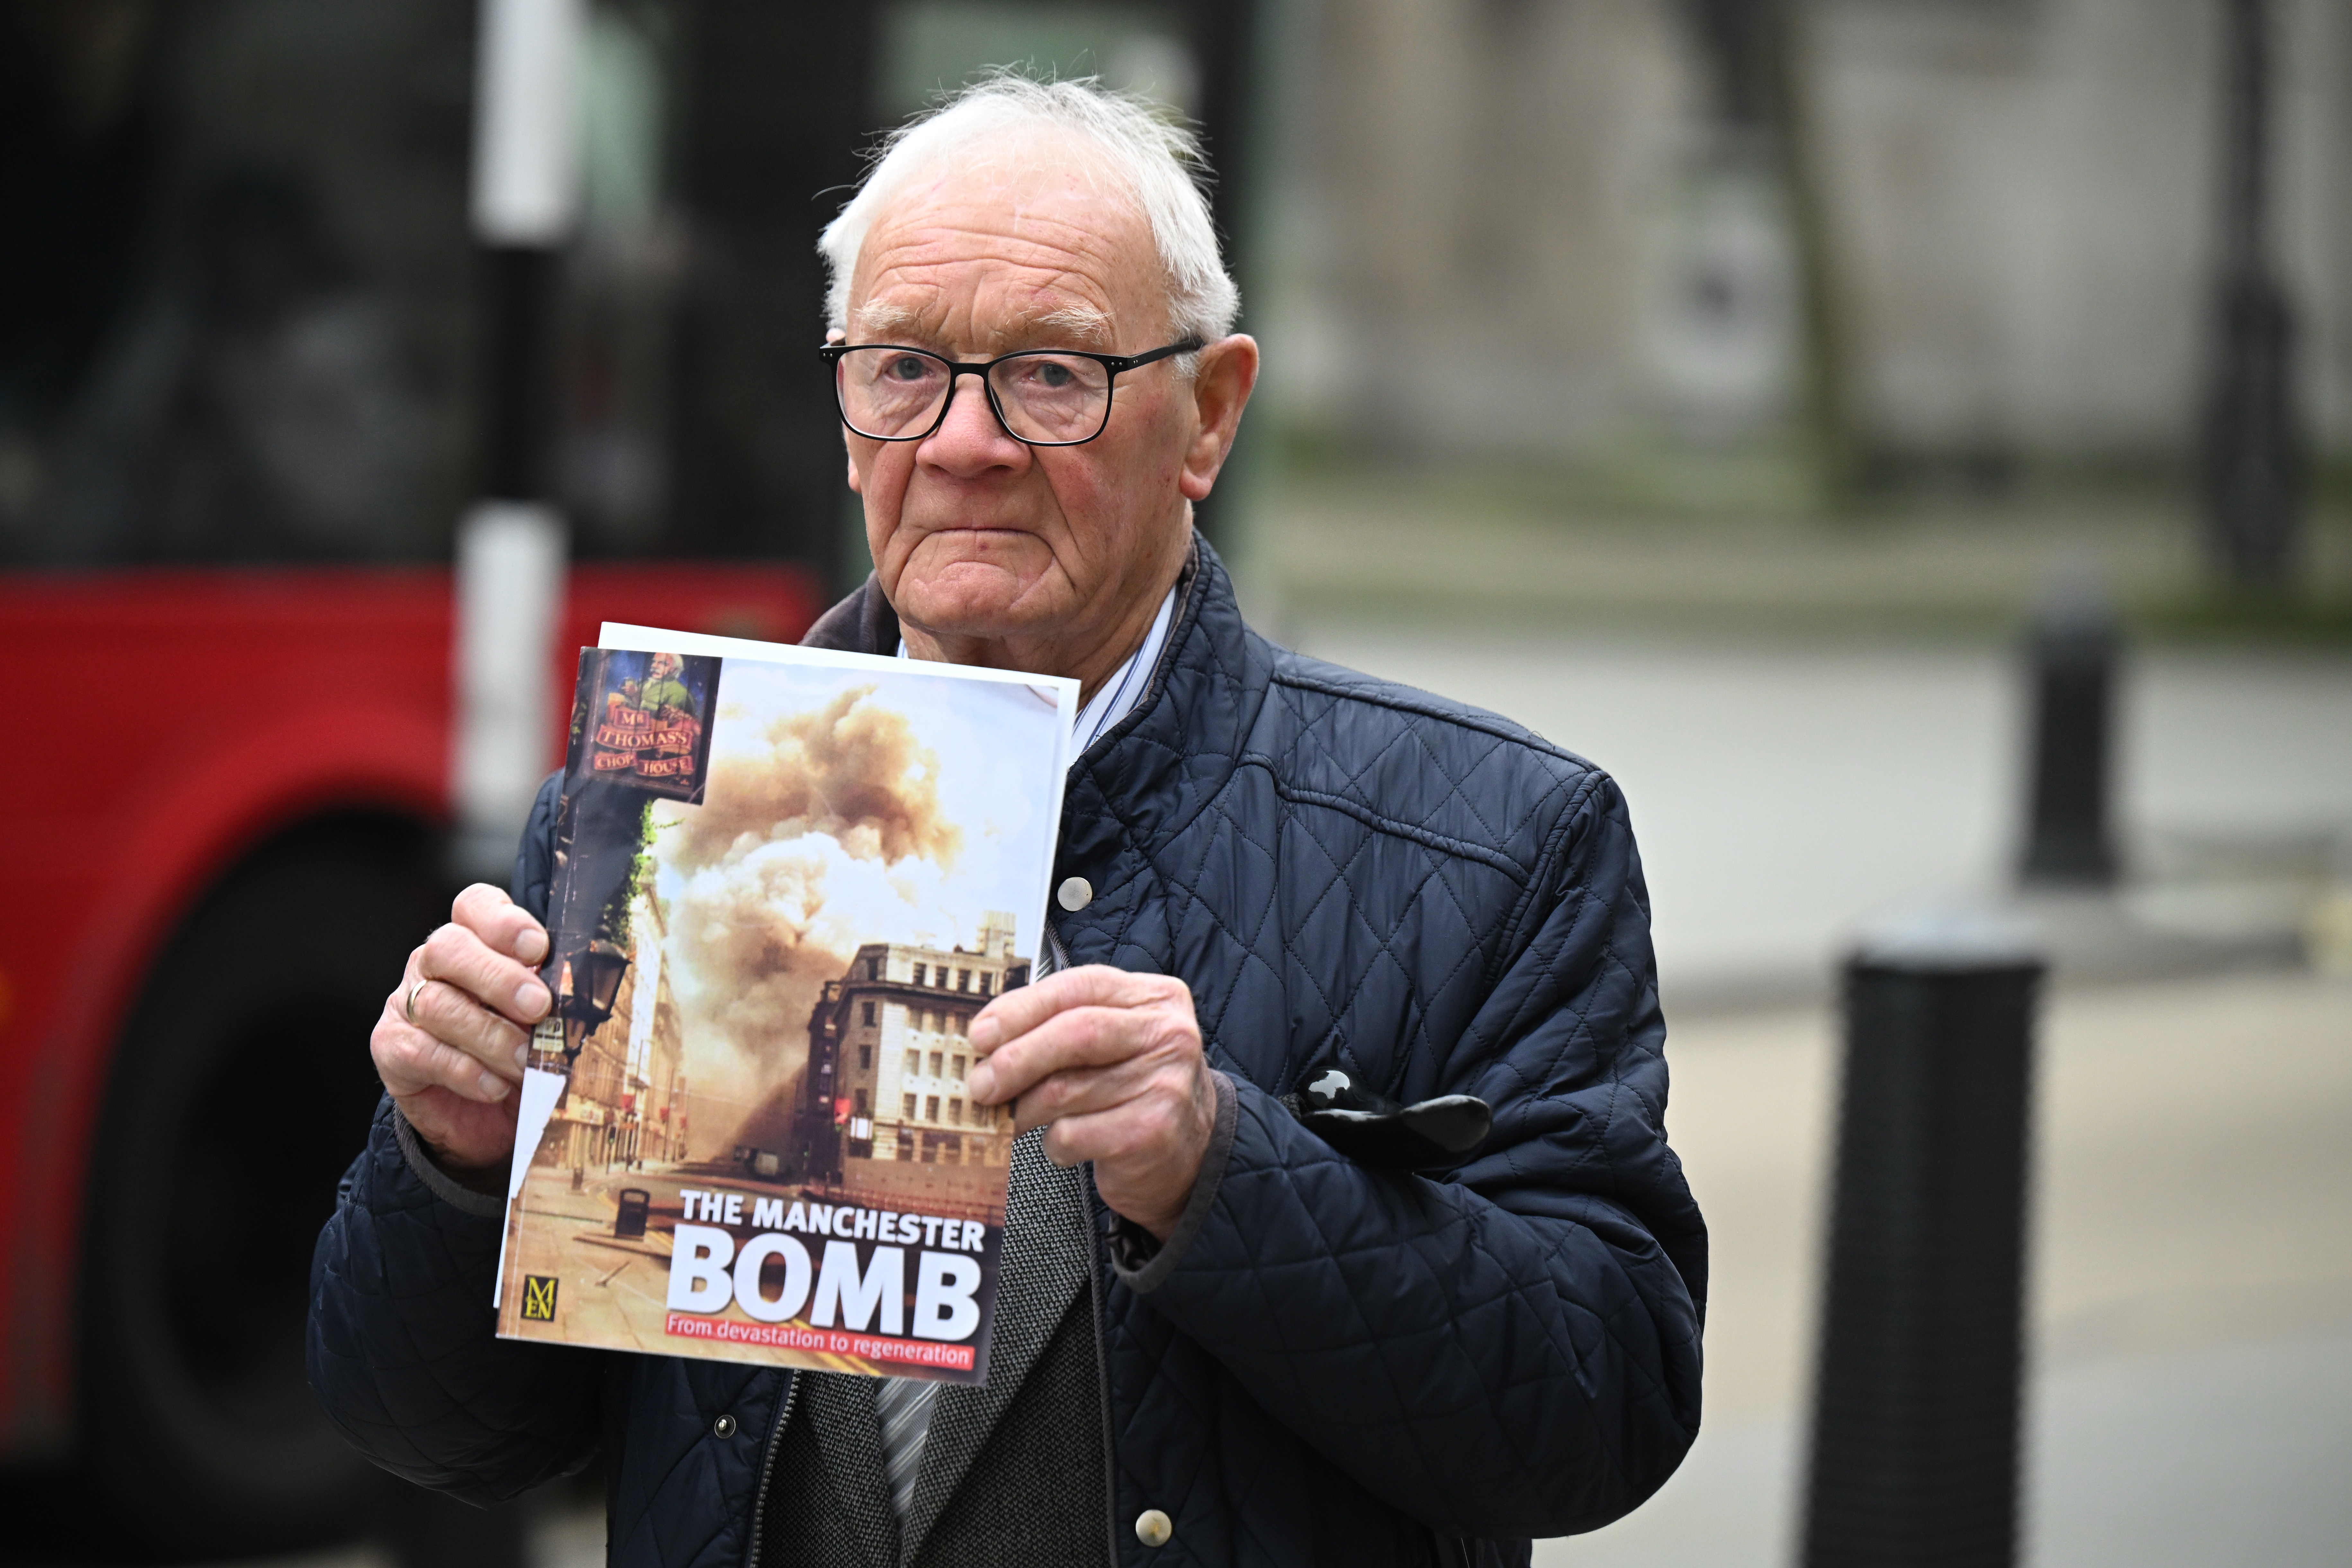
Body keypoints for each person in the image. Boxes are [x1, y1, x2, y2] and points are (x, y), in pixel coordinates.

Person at [309, 75, 1704, 1568]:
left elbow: (1600, 1410)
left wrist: (1230, 1177)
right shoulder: (649, 813)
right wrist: (451, 1171)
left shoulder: (1495, 843)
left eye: (1051, 374)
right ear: (845, 411)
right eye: (904, 368)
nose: (963, 442)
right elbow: (443, 1438)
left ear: (1209, 416)